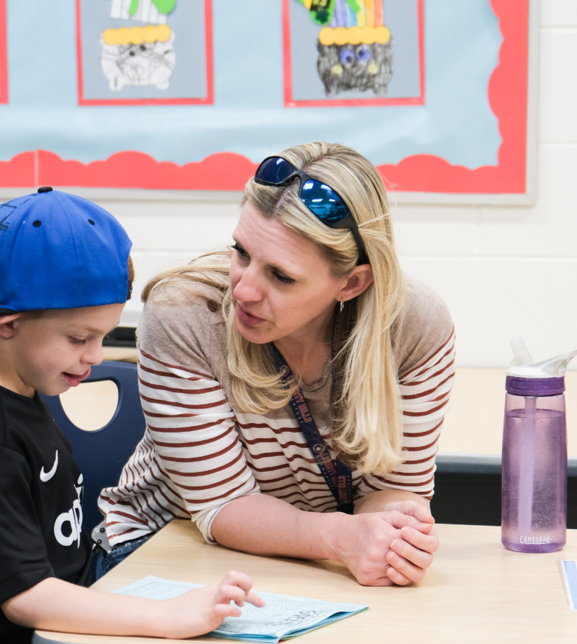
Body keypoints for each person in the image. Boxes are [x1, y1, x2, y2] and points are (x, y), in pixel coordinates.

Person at [0, 187, 264, 644]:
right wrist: (166, 616)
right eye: (79, 338)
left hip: (56, 628)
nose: (96, 356)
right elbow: (25, 597)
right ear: (8, 322)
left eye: (103, 336)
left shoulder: (16, 395)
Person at [98, 142, 454, 587]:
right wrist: (342, 539)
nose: (244, 290)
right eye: (241, 252)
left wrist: (396, 529)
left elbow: (391, 490)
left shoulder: (414, 327)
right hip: (164, 548)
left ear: (352, 283)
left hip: (311, 561)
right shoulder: (186, 314)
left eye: (281, 276)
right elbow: (221, 506)